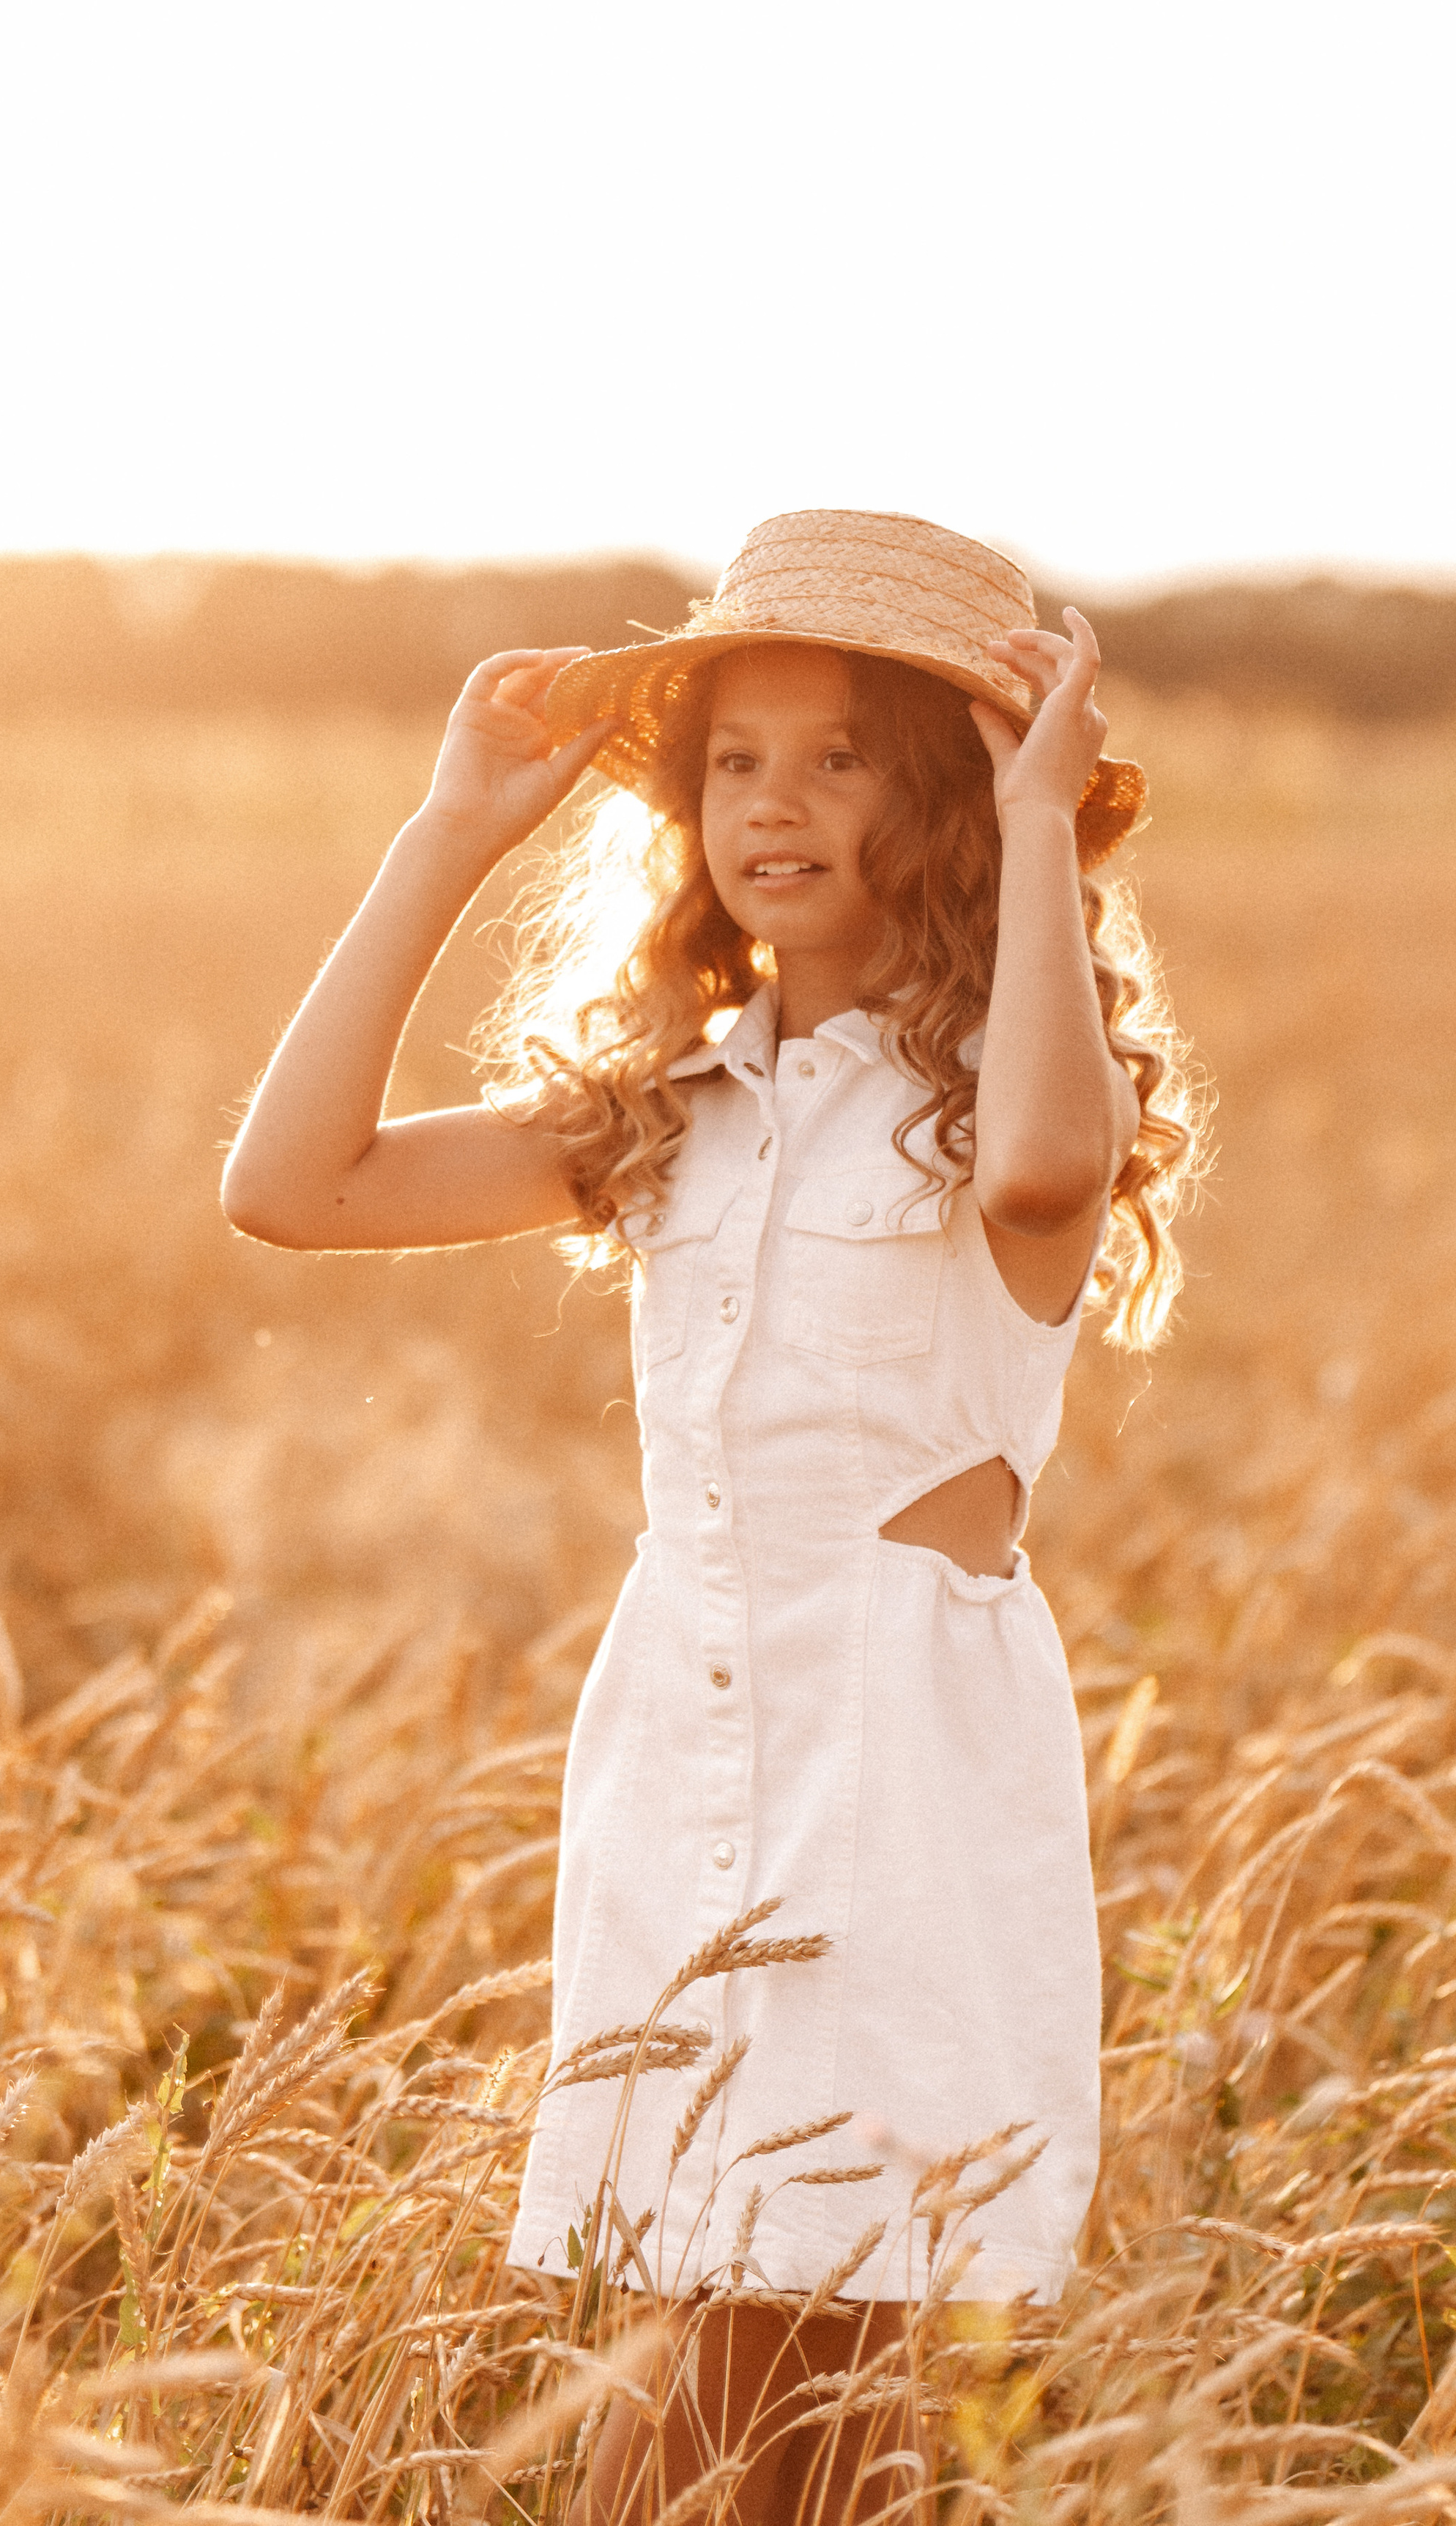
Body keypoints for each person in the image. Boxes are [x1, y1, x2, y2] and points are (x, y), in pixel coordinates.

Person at [222, 510, 1200, 2522]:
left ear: (936, 787)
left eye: (840, 755)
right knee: (695, 2360)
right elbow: (292, 1183)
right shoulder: (673, 1110)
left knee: (818, 2379)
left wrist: (1039, 830)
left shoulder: (1010, 1096)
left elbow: (1034, 1169)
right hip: (686, 1733)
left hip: (892, 1767)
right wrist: (445, 840)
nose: (775, 804)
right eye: (734, 760)